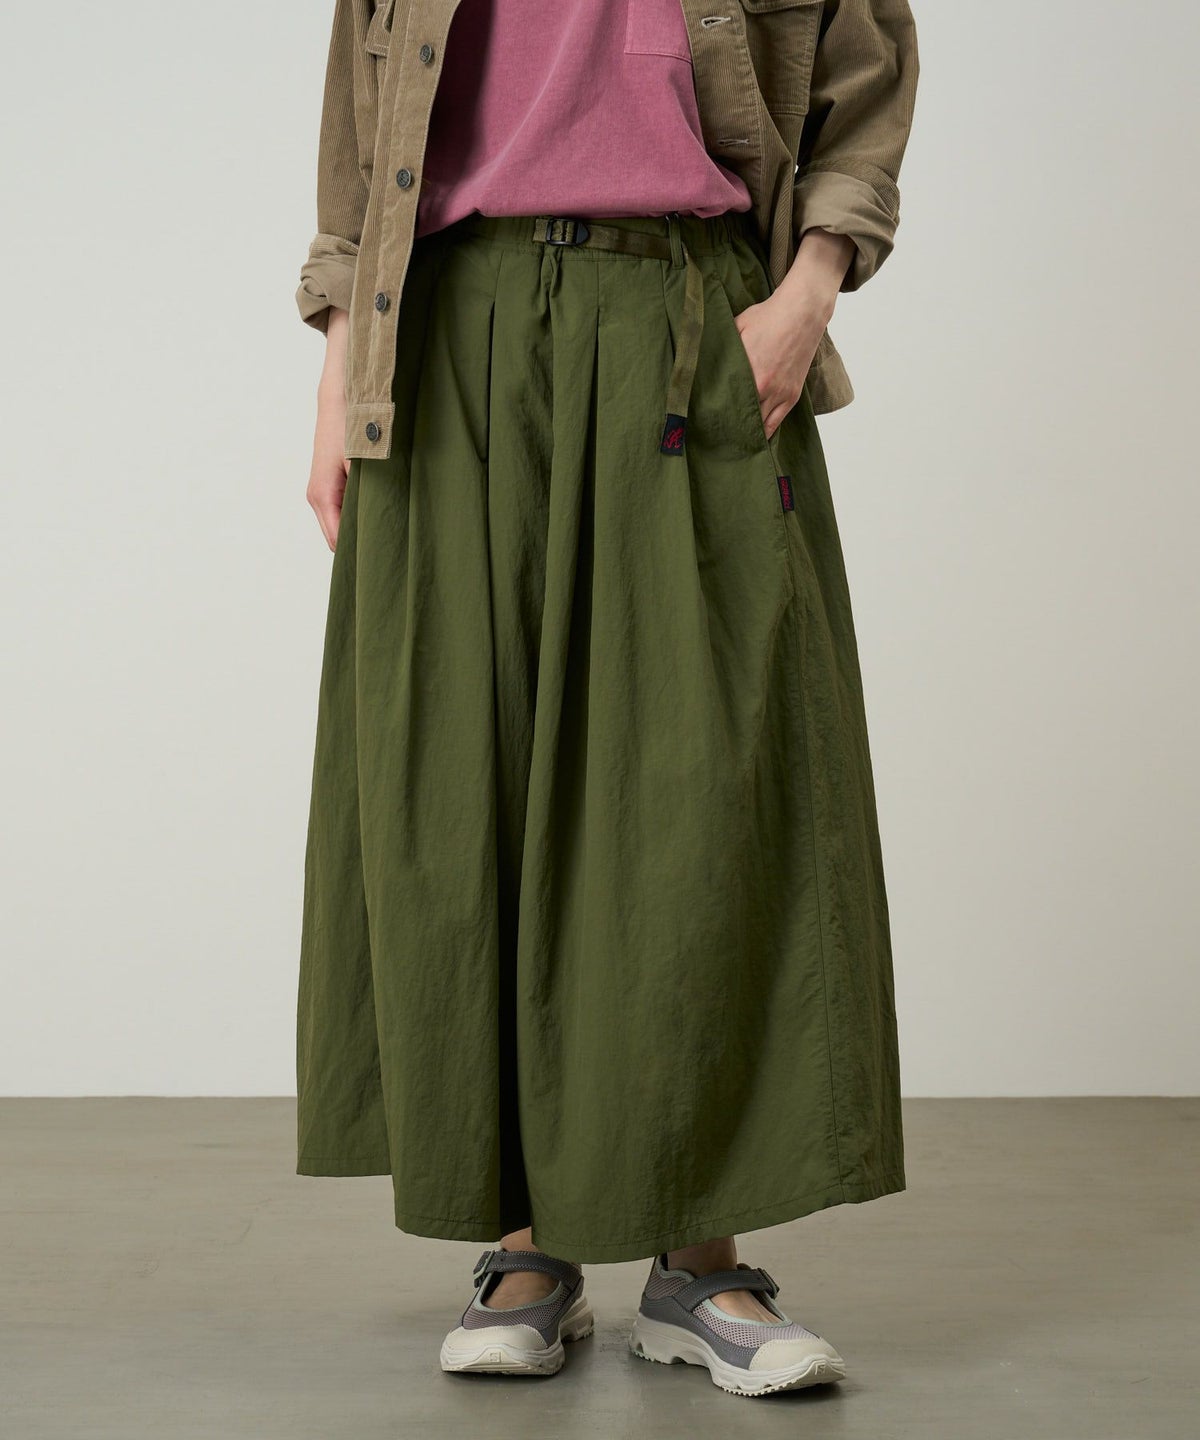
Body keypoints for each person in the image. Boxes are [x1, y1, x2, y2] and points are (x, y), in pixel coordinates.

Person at [293, 0, 919, 1399]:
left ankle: (701, 1264)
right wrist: (340, 379)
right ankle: (526, 1251)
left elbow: (863, 80)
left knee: (702, 785)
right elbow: (360, 132)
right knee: (472, 775)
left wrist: (808, 293)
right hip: (448, 332)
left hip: (688, 313)